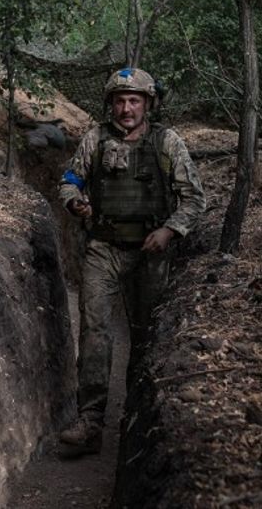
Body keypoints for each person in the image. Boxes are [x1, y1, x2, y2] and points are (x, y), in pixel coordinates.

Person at [56, 67, 205, 454]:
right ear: (111, 105)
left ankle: (137, 422)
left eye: (134, 101)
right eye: (120, 101)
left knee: (145, 335)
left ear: (148, 104)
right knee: (94, 332)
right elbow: (70, 179)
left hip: (149, 252)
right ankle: (90, 421)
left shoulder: (166, 143)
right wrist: (74, 200)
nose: (126, 108)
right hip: (103, 247)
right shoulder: (95, 139)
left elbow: (194, 199)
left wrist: (169, 231)